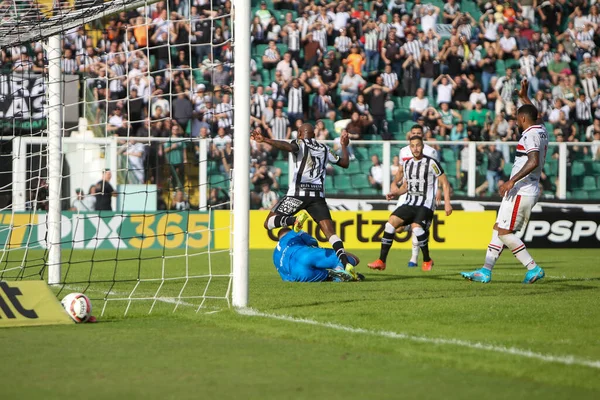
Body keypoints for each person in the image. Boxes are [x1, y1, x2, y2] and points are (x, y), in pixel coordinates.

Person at [461, 79, 548, 284]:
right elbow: (533, 113)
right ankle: (485, 270)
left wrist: (511, 181)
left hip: (521, 189)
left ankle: (532, 267)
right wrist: (524, 98)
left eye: (518, 117)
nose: (516, 120)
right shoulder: (541, 130)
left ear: (523, 118)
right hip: (521, 189)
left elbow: (533, 160)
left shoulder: (529, 136)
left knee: (504, 232)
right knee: (498, 227)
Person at [250, 123, 357, 279]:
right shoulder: (324, 149)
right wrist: (343, 145)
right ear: (313, 134)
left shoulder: (299, 143)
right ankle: (345, 264)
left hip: (298, 194)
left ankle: (293, 220)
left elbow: (288, 147)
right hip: (317, 196)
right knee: (330, 233)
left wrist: (265, 139)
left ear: (300, 134)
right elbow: (344, 163)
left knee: (269, 223)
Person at [368, 135, 453, 272]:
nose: (415, 148)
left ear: (423, 146)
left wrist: (447, 202)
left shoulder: (431, 163)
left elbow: (445, 182)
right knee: (390, 224)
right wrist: (395, 193)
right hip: (410, 202)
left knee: (416, 228)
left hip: (426, 203)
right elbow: (406, 187)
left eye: (418, 145)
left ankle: (426, 259)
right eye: (412, 146)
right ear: (410, 147)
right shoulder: (407, 164)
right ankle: (381, 261)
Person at [394, 124, 441, 268]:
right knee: (398, 228)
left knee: (417, 227)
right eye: (413, 132)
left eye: (419, 133)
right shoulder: (403, 151)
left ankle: (413, 259)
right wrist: (394, 184)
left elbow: (437, 172)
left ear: (423, 135)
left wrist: (438, 190)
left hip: (424, 194)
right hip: (407, 193)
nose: (416, 134)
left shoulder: (431, 152)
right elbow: (401, 171)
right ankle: (410, 225)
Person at [272, 228, 362, 282]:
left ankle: (333, 276)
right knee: (353, 258)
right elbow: (313, 242)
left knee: (327, 276)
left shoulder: (274, 255)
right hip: (305, 255)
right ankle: (340, 269)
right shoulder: (293, 233)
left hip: (298, 274)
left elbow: (285, 278)